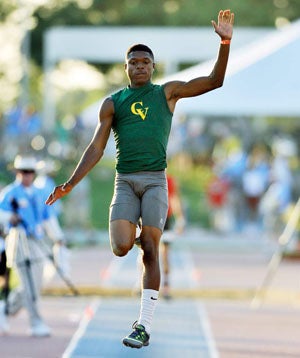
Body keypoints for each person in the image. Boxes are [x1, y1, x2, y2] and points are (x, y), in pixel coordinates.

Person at [46, 9, 234, 349]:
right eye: (134, 62)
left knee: (150, 247)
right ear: (127, 67)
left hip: (155, 181)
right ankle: (140, 236)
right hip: (125, 182)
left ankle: (143, 325)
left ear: (153, 66)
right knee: (120, 246)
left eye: (145, 62)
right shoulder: (113, 103)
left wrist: (225, 41)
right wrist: (69, 184)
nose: (140, 67)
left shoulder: (168, 93)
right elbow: (95, 148)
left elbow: (214, 81)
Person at [0, 155, 63, 337]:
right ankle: (36, 322)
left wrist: (58, 237)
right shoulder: (10, 193)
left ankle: (5, 309)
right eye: (23, 172)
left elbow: (48, 218)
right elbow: (1, 214)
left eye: (30, 172)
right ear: (18, 173)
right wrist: (9, 218)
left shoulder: (40, 193)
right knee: (29, 283)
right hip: (18, 240)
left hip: (37, 241)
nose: (27, 175)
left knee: (35, 283)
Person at [160, 174, 185, 299]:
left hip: (166, 219)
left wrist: (180, 219)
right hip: (149, 217)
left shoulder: (169, 179)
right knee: (146, 251)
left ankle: (166, 284)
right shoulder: (147, 174)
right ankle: (140, 284)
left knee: (165, 252)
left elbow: (174, 199)